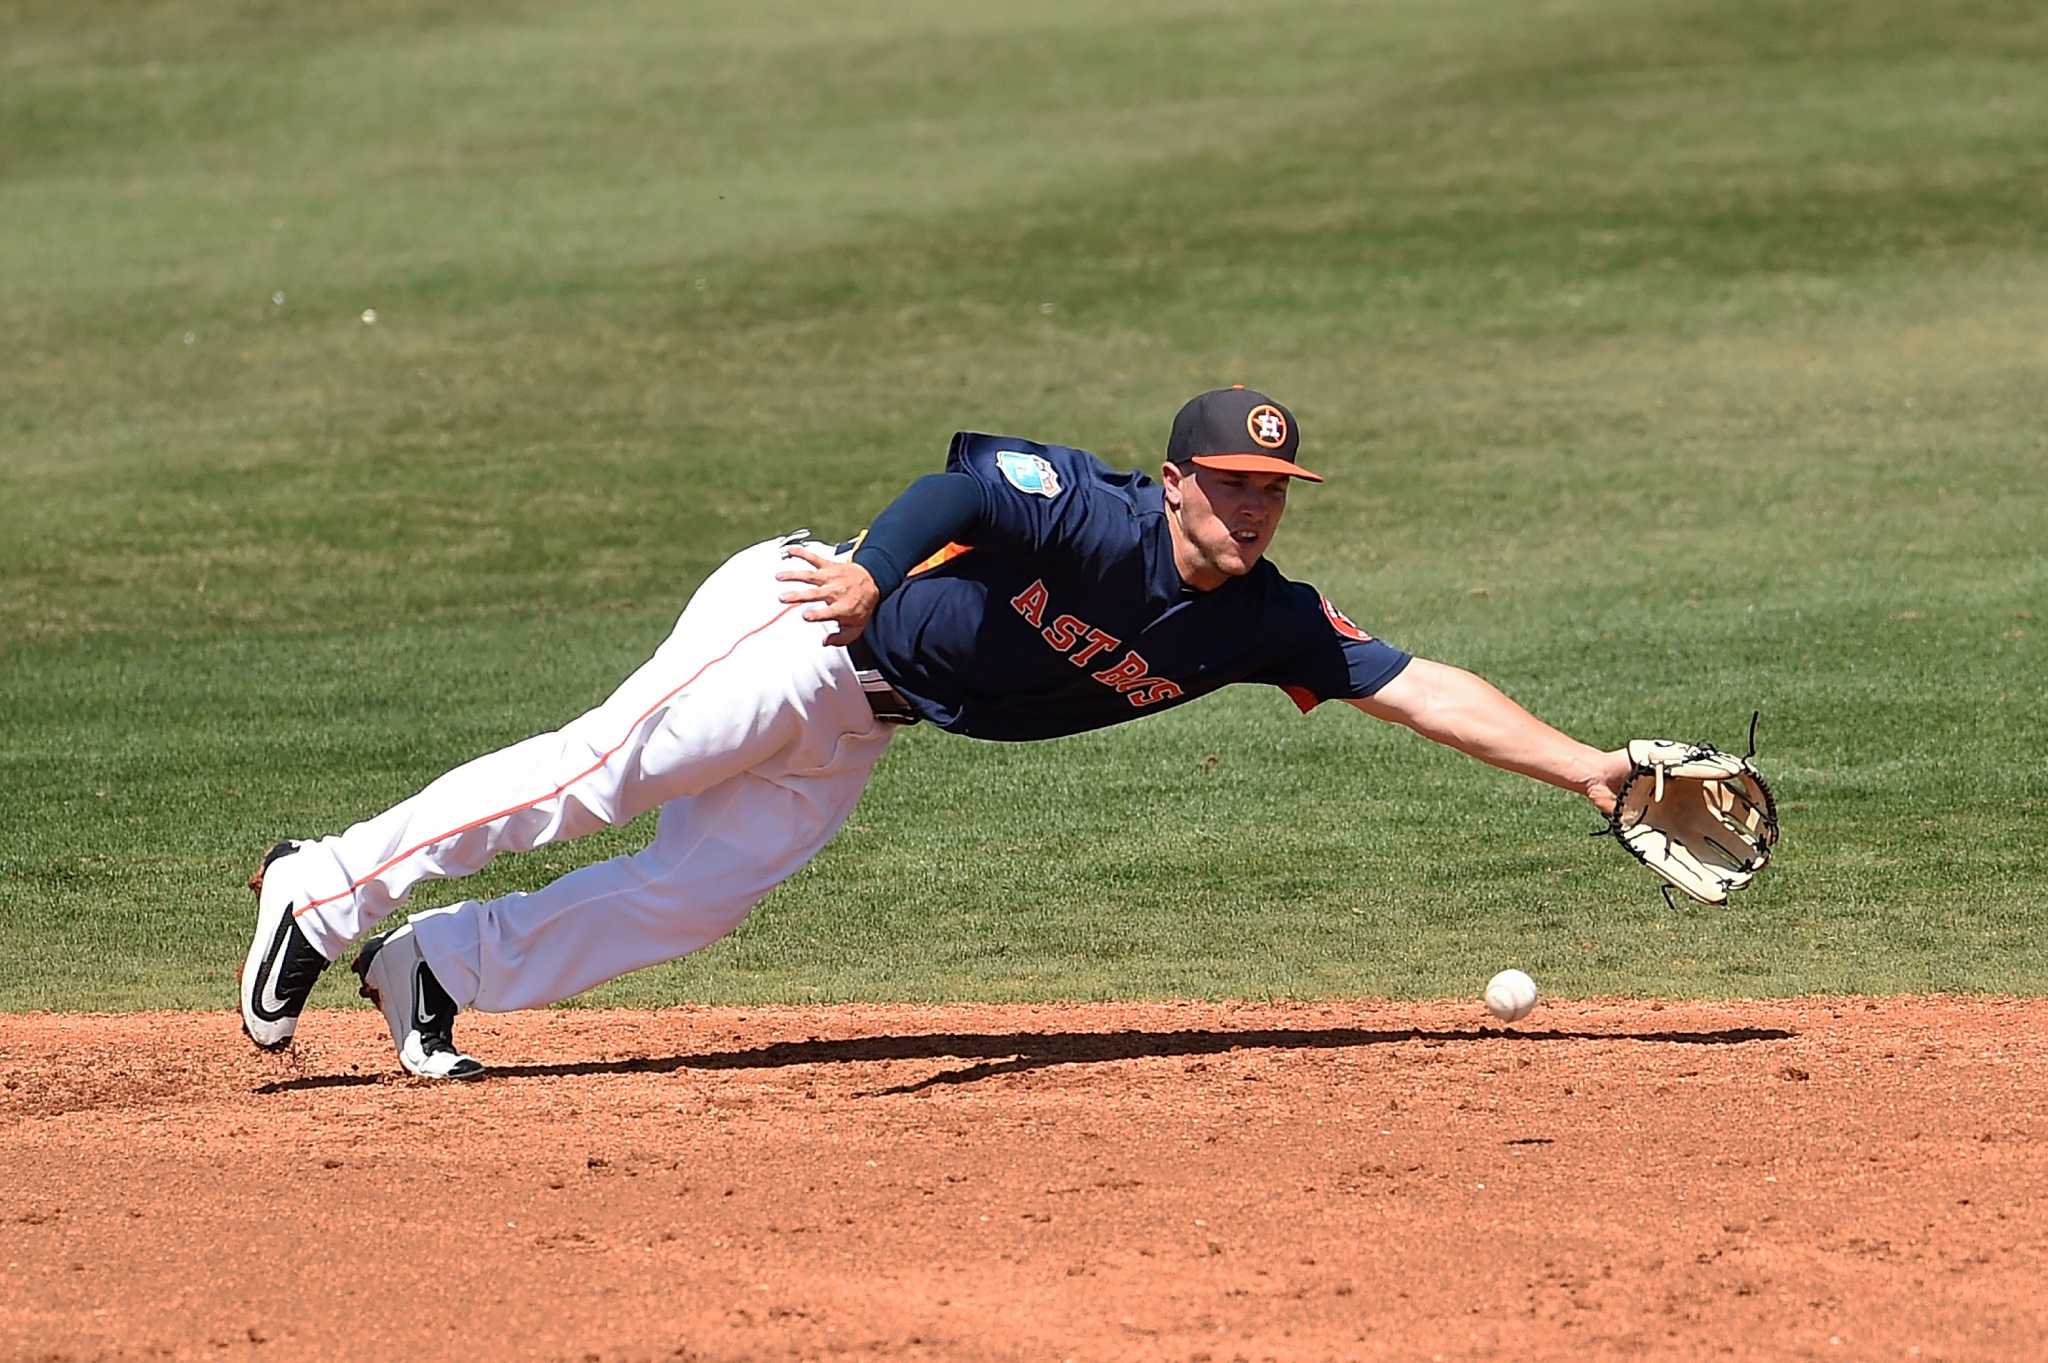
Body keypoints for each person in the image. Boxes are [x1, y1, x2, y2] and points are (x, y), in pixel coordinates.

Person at [238, 386, 1634, 1079]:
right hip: (801, 628)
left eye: (1274, 486)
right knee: (596, 776)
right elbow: (945, 490)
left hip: (860, 727)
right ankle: (328, 887)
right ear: (1176, 480)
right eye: (1231, 481)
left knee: (691, 897)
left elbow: (1420, 684)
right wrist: (867, 572)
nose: (1256, 505)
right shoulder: (1085, 508)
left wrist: (1591, 772)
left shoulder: (1264, 620)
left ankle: (434, 966)